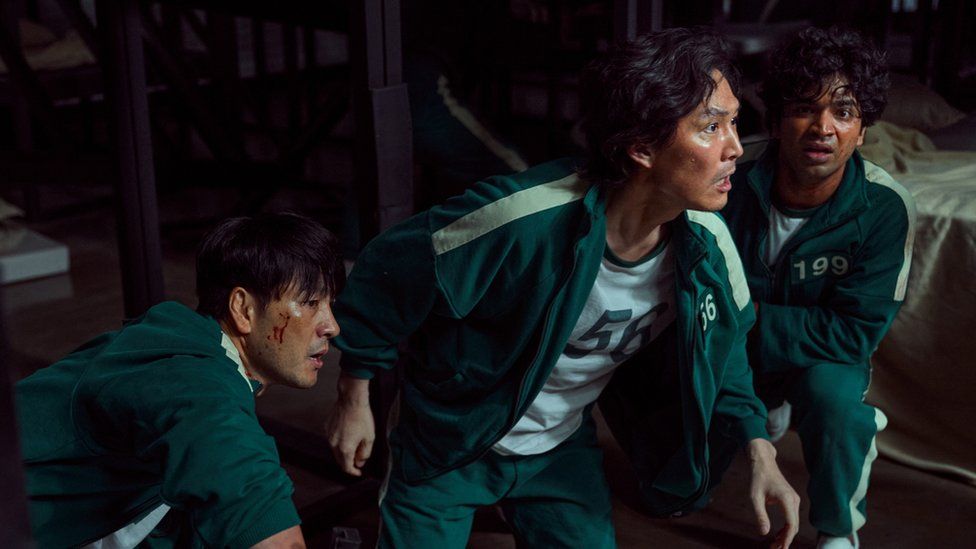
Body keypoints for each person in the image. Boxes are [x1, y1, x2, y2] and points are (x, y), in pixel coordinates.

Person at [327, 28, 800, 549]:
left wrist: (760, 447)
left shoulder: (708, 244)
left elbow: (725, 354)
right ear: (642, 148)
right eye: (711, 126)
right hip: (452, 436)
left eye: (734, 122)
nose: (736, 147)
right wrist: (355, 392)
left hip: (560, 449)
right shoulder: (523, 218)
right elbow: (388, 270)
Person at [15, 213, 342, 548]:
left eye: (330, 304)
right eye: (310, 302)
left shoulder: (186, 341)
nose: (331, 326)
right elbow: (229, 458)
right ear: (243, 309)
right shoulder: (189, 380)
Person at [721, 27, 916, 549]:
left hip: (820, 357)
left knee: (836, 404)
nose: (823, 127)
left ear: (863, 129)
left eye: (843, 111)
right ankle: (762, 407)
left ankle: (837, 531)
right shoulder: (729, 178)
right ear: (777, 120)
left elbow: (854, 334)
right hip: (731, 351)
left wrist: (748, 317)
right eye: (805, 109)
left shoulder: (884, 207)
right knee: (671, 490)